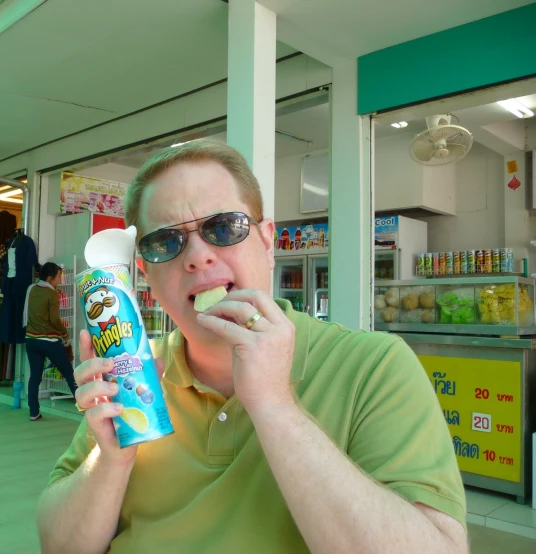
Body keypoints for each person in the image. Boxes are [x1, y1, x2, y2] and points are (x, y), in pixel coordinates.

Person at [37, 141, 467, 553]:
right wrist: (110, 462)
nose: (198, 256)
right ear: (146, 275)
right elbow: (59, 545)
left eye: (223, 227)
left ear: (267, 241)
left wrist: (276, 406)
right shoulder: (134, 373)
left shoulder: (375, 366)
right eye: (166, 241)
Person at [24, 262, 77, 422]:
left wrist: (54, 291)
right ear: (50, 278)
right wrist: (64, 332)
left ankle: (34, 412)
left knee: (35, 376)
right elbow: (54, 319)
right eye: (59, 276)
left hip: (31, 340)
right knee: (69, 373)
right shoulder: (52, 295)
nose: (60, 279)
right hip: (49, 340)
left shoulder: (31, 288)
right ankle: (85, 406)